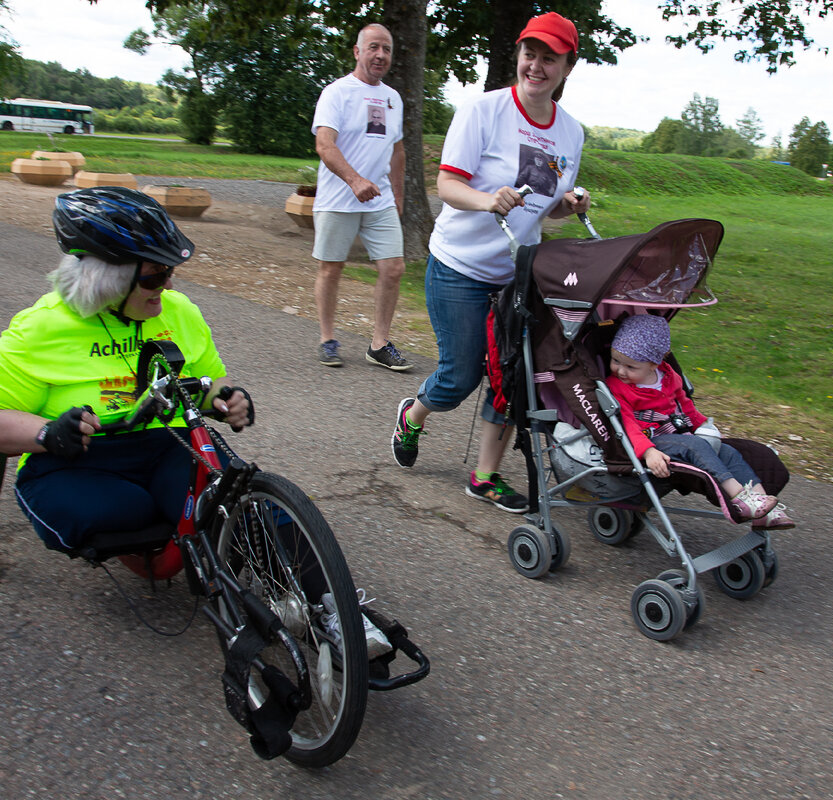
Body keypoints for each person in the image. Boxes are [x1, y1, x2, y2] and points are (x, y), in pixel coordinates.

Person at [0, 186, 255, 552]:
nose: (167, 285)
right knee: (122, 514)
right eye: (154, 275)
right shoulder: (41, 327)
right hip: (79, 458)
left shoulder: (180, 311)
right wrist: (48, 433)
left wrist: (228, 399)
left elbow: (213, 380)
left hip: (169, 443)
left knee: (242, 509)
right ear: (105, 278)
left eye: (169, 272)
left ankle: (329, 604)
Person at [390, 11, 590, 513]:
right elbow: (447, 185)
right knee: (458, 377)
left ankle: (485, 476)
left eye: (550, 58)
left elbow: (547, 211)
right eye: (530, 54)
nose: (536, 66)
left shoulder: (571, 133)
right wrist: (487, 199)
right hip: (459, 265)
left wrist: (569, 207)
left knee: (513, 376)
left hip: (517, 276)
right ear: (518, 56)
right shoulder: (484, 111)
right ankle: (412, 415)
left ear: (568, 67)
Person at [604, 314, 796, 529]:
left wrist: (704, 426)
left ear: (654, 364)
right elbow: (626, 424)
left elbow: (686, 407)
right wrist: (648, 452)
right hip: (652, 441)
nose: (620, 370)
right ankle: (740, 498)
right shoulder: (618, 386)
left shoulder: (669, 377)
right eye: (615, 361)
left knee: (727, 451)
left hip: (680, 434)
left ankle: (762, 505)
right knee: (695, 446)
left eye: (630, 367)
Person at [311, 22, 411, 371]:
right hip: (339, 196)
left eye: (386, 48)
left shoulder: (393, 98)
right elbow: (325, 145)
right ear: (357, 51)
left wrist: (398, 197)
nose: (380, 54)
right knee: (331, 268)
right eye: (373, 47)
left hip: (379, 199)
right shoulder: (337, 93)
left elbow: (397, 151)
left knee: (393, 268)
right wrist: (354, 180)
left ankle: (379, 343)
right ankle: (327, 340)